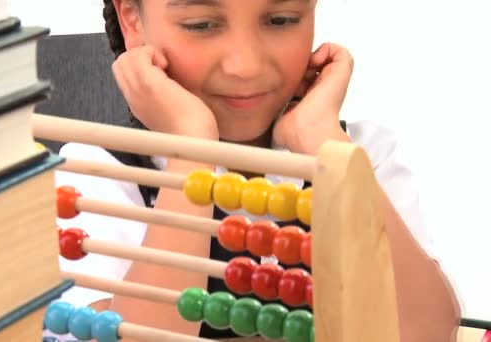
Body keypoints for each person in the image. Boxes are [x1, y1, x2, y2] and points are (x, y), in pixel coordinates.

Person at [46, 0, 461, 341]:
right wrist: (192, 148)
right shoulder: (94, 174)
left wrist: (321, 138)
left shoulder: (357, 155)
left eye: (281, 20)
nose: (245, 65)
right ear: (132, 19)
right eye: (202, 24)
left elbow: (428, 332)